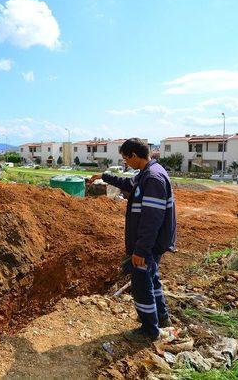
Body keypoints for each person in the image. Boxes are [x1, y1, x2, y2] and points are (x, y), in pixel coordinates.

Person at [91, 138, 176, 341]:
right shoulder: (146, 175)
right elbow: (128, 184)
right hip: (151, 243)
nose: (126, 163)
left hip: (149, 244)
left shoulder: (153, 179)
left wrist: (141, 250)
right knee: (152, 278)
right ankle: (162, 318)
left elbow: (152, 219)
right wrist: (104, 176)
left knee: (141, 283)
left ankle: (149, 331)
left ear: (134, 156)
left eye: (125, 159)